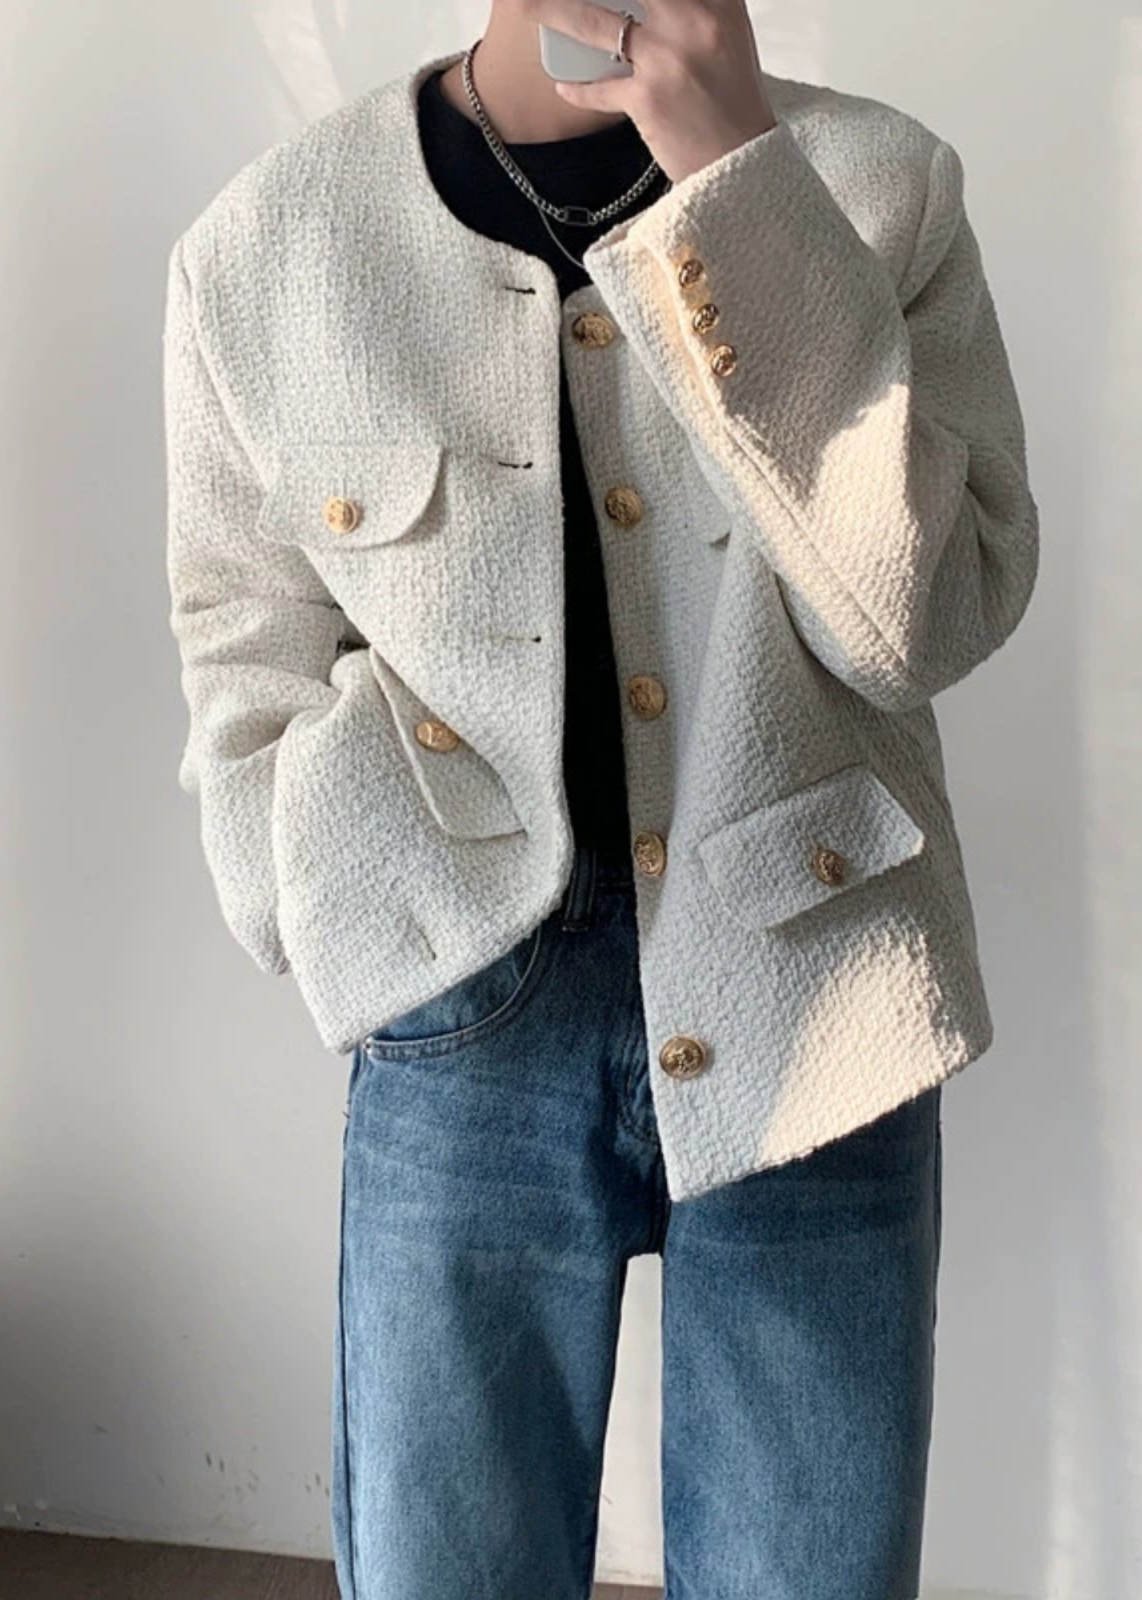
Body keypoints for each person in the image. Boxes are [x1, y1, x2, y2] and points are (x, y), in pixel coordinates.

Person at [161, 3, 1039, 1595]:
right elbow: (244, 625)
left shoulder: (878, 184)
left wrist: (737, 182)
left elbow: (920, 619)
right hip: (460, 990)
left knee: (807, 1571)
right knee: (446, 1566)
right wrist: (302, 888)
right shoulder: (275, 241)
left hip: (819, 976)